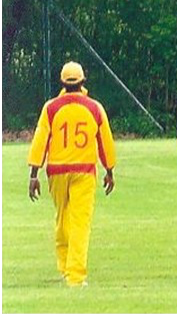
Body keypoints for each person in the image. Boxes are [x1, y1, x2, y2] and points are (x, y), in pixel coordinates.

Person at [27, 61, 117, 288]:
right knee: (80, 222)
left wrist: (33, 173)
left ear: (62, 83)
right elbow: (105, 141)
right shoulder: (95, 107)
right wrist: (109, 170)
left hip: (56, 171)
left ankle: (64, 266)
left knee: (62, 218)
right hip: (84, 171)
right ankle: (75, 275)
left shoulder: (51, 108)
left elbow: (40, 141)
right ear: (83, 81)